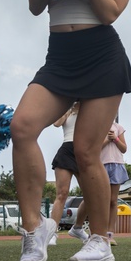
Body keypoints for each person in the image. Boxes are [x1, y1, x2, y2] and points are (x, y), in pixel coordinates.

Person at [11, 0, 131, 261]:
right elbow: (35, 6)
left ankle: (100, 240)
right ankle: (35, 230)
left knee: (85, 151)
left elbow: (111, 12)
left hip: (100, 55)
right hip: (60, 57)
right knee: (21, 127)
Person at [50, 103, 90, 245]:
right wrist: (67, 109)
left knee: (90, 195)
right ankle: (52, 233)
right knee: (62, 193)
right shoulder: (67, 109)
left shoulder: (90, 109)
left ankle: (77, 228)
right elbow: (56, 123)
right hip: (66, 150)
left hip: (83, 151)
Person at [102, 118, 128, 246]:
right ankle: (98, 232)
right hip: (102, 165)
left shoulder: (118, 127)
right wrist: (107, 139)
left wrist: (116, 138)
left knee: (113, 201)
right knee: (102, 200)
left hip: (117, 164)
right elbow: (95, 147)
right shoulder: (98, 126)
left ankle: (110, 233)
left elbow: (124, 148)